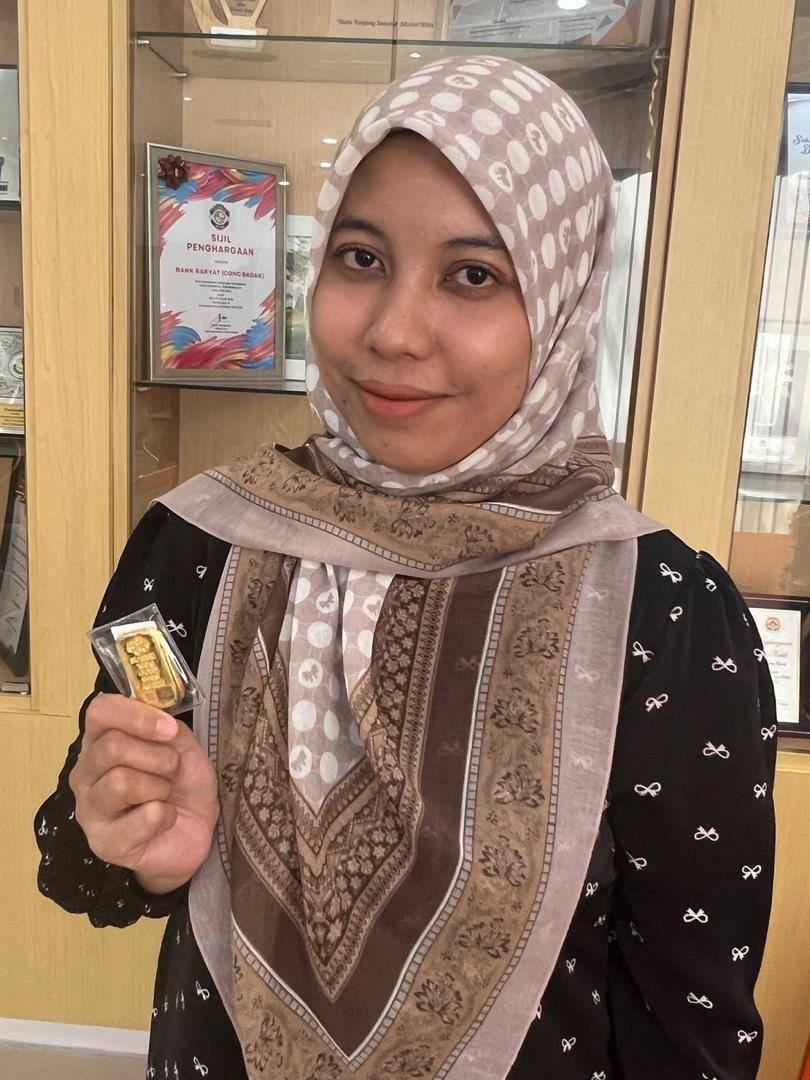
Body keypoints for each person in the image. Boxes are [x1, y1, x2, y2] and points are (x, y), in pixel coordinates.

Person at [36, 55, 777, 1080]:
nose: (393, 332)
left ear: (563, 302)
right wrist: (136, 846)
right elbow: (81, 865)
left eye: (474, 276)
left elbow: (691, 1017)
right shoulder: (204, 543)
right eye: (360, 258)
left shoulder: (653, 609)